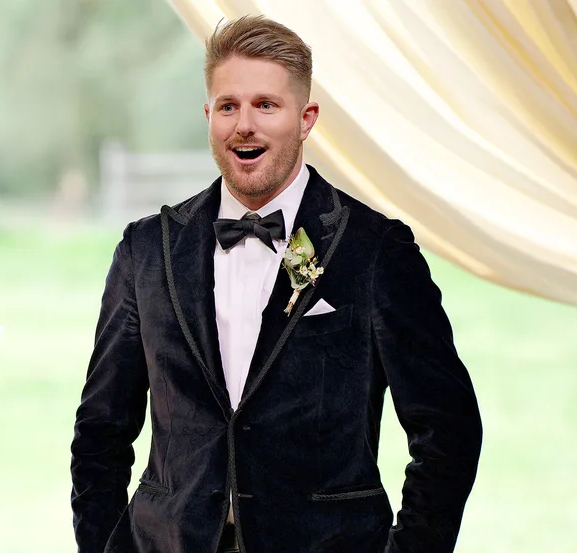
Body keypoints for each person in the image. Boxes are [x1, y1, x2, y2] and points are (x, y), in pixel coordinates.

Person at [71, 15, 482, 553]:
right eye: (229, 106)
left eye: (266, 105)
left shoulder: (374, 250)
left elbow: (447, 428)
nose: (245, 124)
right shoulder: (147, 251)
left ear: (306, 118)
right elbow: (101, 430)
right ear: (209, 116)